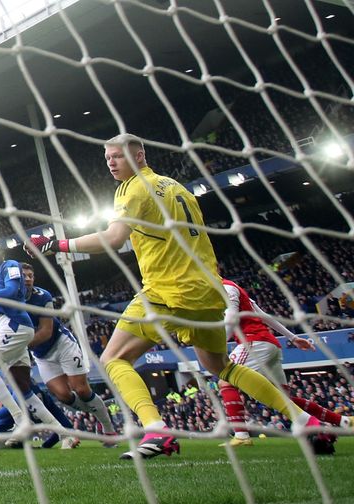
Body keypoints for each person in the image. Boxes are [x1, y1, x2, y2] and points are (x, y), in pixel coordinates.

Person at [26, 133, 326, 459]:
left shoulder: (133, 189)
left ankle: (157, 430)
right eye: (108, 158)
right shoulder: (176, 186)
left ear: (140, 156)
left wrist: (60, 245)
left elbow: (113, 239)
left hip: (168, 290)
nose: (111, 163)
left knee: (114, 359)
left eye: (118, 157)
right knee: (220, 366)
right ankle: (306, 421)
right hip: (209, 291)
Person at [218, 278, 347, 451]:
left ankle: (241, 435)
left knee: (226, 380)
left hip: (253, 342)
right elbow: (264, 316)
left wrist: (218, 345)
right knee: (284, 400)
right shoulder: (236, 290)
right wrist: (292, 338)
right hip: (269, 344)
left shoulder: (226, 287)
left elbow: (232, 319)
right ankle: (343, 421)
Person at [0, 242, 68, 445]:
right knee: (23, 388)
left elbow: (12, 290)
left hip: (15, 325)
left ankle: (20, 419)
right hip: (6, 324)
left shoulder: (11, 266)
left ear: (3, 254)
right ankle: (64, 433)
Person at [20, 263, 118, 445]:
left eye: (30, 275)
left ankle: (109, 430)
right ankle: (97, 410)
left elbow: (45, 332)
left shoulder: (43, 296)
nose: (27, 279)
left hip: (61, 344)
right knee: (63, 395)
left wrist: (18, 345)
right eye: (23, 275)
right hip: (41, 355)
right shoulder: (9, 299)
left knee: (81, 389)